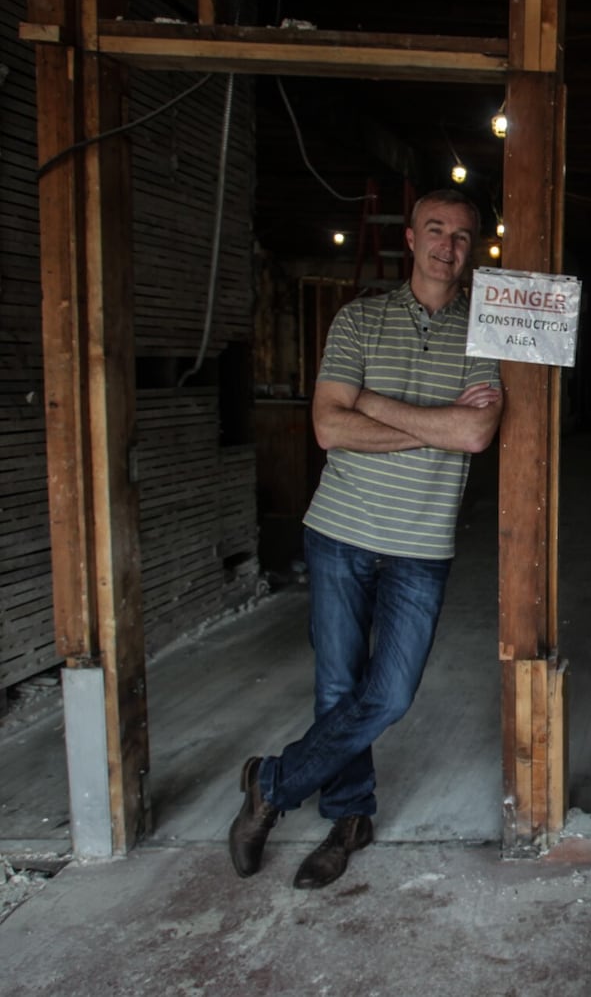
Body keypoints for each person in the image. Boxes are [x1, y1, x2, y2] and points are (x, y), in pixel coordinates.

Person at [227, 188, 503, 889]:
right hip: (339, 533)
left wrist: (371, 403)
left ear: (474, 249)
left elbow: (474, 433)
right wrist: (432, 421)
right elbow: (327, 427)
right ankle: (350, 818)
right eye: (435, 231)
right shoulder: (358, 320)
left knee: (388, 696)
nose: (448, 246)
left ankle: (272, 784)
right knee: (339, 688)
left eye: (462, 236)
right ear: (409, 239)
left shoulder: (485, 333)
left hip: (421, 544)